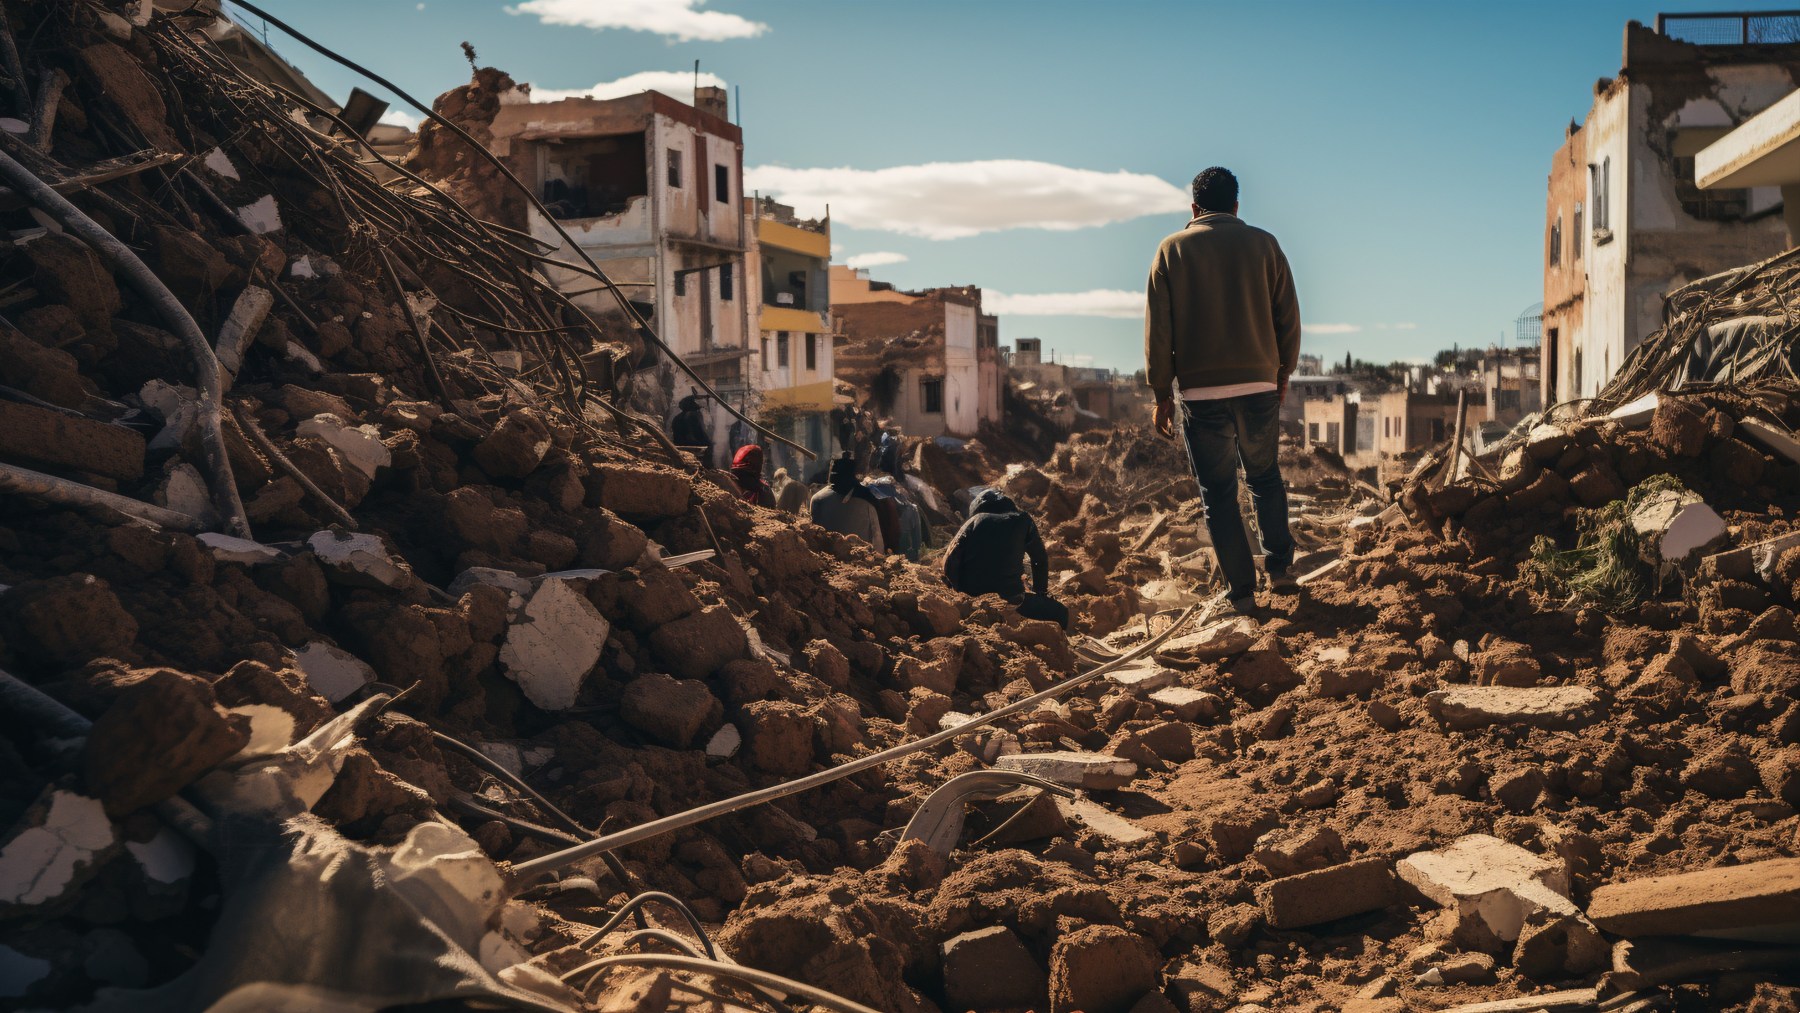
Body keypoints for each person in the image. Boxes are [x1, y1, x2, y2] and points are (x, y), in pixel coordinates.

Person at [1144, 166, 1301, 612]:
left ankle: (1242, 594)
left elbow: (1160, 330)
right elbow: (1287, 315)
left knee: (1218, 493)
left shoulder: (1170, 249)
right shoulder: (1265, 244)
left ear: (1194, 208)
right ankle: (1281, 570)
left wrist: (1160, 393)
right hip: (1258, 386)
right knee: (1265, 477)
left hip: (1200, 393)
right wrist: (1283, 372)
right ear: (1236, 205)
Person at [942, 488, 1066, 627]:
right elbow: (1039, 560)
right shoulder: (1023, 520)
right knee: (1062, 613)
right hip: (1011, 597)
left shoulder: (974, 521)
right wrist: (1040, 593)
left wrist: (954, 587)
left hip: (970, 594)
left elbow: (950, 559)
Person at [808, 454, 884, 552]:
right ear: (852, 474)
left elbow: (813, 534)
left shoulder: (817, 498)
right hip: (859, 559)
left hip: (826, 557)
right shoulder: (866, 501)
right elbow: (877, 539)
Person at [670, 394, 713, 469]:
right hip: (693, 447)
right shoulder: (692, 416)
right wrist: (708, 443)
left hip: (680, 446)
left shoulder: (677, 417)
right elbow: (698, 433)